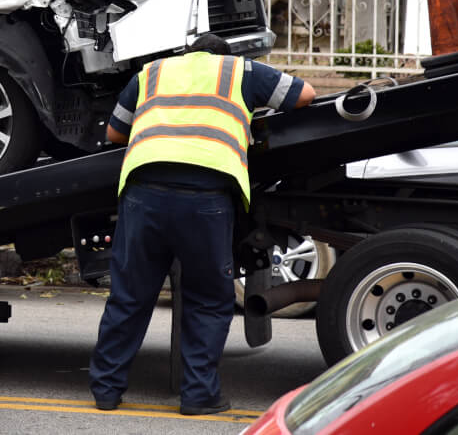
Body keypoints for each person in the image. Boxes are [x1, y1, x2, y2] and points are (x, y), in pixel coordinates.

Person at [89, 32, 315, 415]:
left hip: (144, 195)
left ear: (188, 55)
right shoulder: (239, 72)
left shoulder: (152, 73)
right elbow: (306, 95)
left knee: (129, 296)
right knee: (208, 300)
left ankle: (106, 390)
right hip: (205, 198)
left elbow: (114, 133)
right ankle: (198, 396)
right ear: (223, 57)